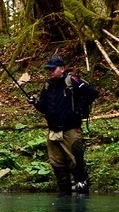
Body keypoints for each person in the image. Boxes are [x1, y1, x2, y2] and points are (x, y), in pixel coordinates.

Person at [29, 56, 99, 195]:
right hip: (53, 131)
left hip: (71, 129)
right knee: (57, 163)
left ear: (62, 69)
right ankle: (64, 191)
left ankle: (82, 189)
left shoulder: (72, 81)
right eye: (48, 69)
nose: (50, 72)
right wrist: (35, 103)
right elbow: (44, 107)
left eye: (53, 69)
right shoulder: (48, 86)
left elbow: (92, 93)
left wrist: (79, 109)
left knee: (75, 161)